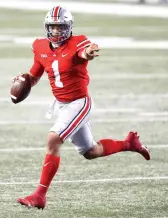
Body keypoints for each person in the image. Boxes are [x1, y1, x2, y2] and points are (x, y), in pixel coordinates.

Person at [16, 6, 150, 209]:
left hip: (79, 103)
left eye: (60, 27)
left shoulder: (77, 42)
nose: (56, 32)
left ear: (69, 27)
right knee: (91, 151)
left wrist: (89, 52)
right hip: (62, 105)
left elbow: (84, 52)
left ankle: (40, 195)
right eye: (52, 27)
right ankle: (129, 143)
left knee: (53, 138)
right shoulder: (40, 46)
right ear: (46, 27)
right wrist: (23, 82)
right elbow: (34, 76)